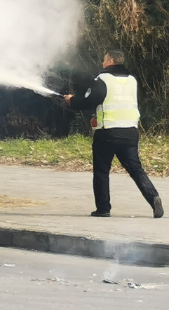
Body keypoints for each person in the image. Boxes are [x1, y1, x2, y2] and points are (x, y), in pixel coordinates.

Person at [65, 50, 163, 219]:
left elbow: (89, 101)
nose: (102, 63)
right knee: (136, 170)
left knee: (102, 172)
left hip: (108, 132)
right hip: (130, 132)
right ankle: (153, 196)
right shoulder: (132, 81)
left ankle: (103, 209)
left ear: (110, 61)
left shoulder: (102, 80)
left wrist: (72, 100)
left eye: (104, 60)